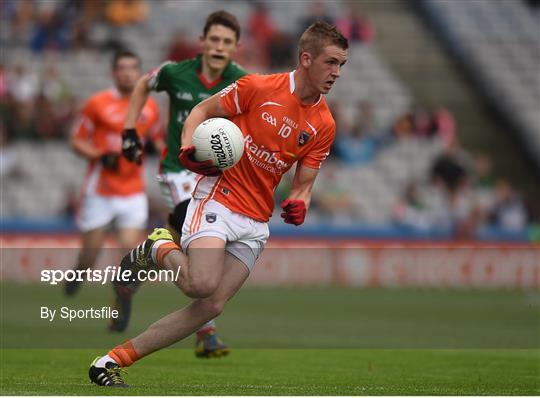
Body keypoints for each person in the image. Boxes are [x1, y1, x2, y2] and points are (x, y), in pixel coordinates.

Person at [88, 21, 348, 387]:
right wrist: (187, 149)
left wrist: (299, 201)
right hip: (219, 199)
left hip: (256, 223)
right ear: (307, 59)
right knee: (199, 284)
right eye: (331, 62)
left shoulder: (324, 124)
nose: (337, 72)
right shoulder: (258, 87)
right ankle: (159, 245)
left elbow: (304, 185)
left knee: (211, 306)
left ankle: (111, 361)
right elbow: (200, 111)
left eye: (342, 65)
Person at [117, 10, 246, 358]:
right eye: (214, 39)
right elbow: (144, 83)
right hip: (177, 170)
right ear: (202, 42)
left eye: (227, 42)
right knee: (197, 251)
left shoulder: (242, 82)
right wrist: (130, 130)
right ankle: (207, 333)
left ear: (236, 47)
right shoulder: (176, 72)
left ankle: (150, 251)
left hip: (215, 179)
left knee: (192, 250)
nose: (219, 47)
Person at [65, 50, 164, 297]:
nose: (128, 73)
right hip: (101, 190)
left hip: (132, 191)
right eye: (122, 67)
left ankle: (120, 302)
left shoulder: (149, 106)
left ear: (140, 73)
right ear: (114, 72)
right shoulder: (97, 103)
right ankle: (76, 277)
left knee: (131, 253)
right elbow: (76, 141)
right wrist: (99, 155)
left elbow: (158, 141)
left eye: (133, 67)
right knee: (89, 258)